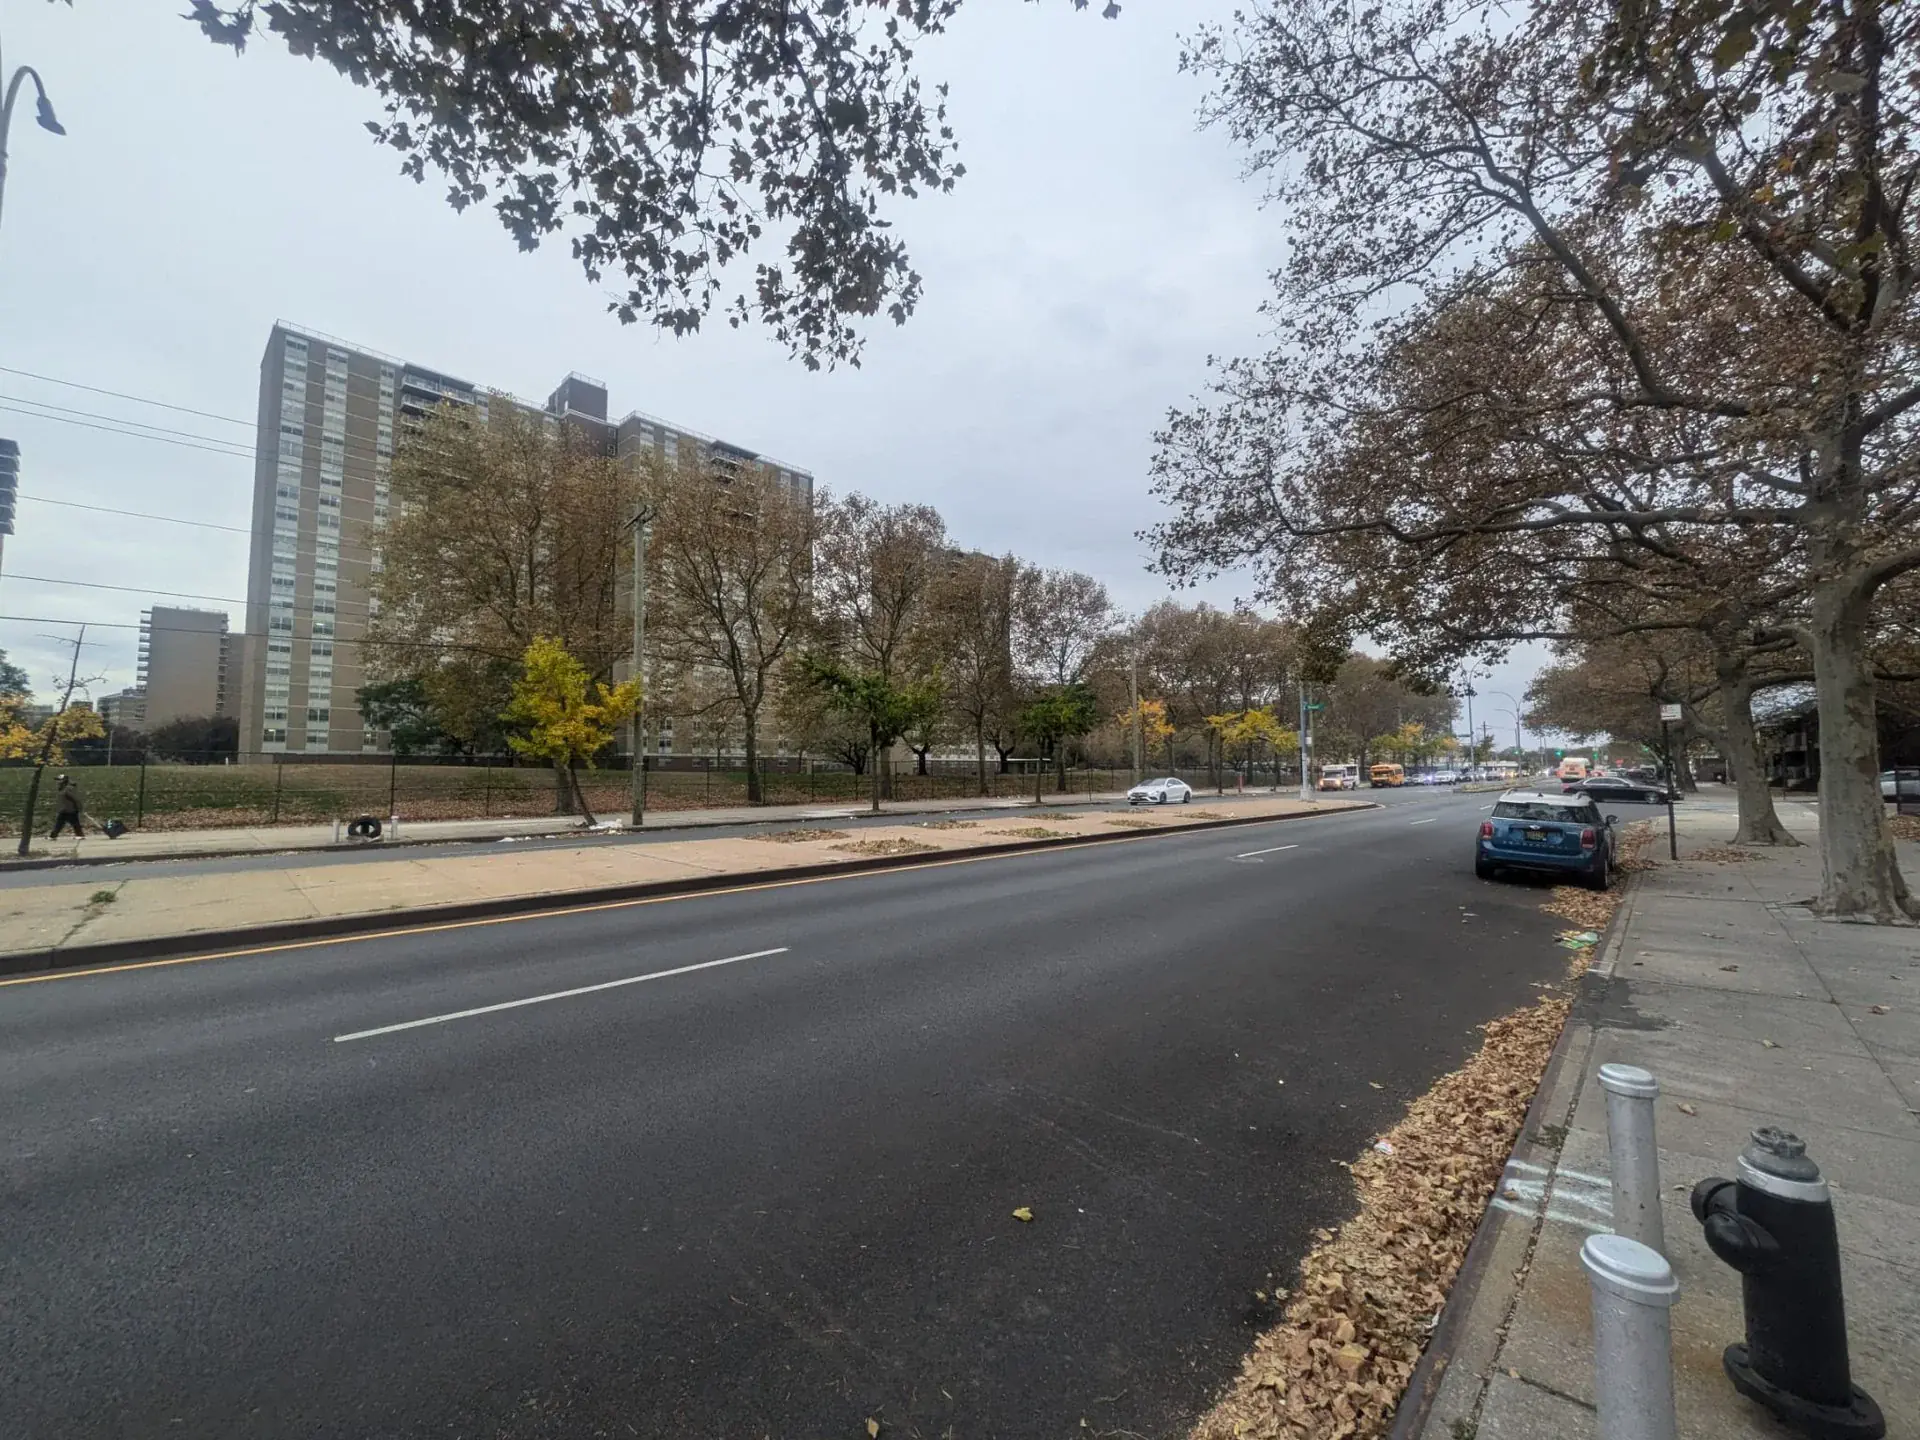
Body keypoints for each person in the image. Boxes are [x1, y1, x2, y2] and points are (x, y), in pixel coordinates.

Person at [50, 773, 85, 839]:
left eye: (59, 780)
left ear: (63, 781)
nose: (57, 782)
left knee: (75, 823)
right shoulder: (62, 789)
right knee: (59, 823)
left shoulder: (68, 789)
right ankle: (53, 836)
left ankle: (80, 835)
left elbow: (76, 799)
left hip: (71, 810)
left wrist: (79, 808)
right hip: (64, 810)